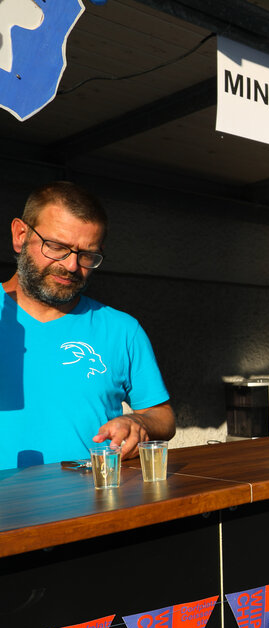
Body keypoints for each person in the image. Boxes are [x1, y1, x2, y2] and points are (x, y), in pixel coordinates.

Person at [1, 181, 175, 470]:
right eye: (56, 247)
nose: (71, 266)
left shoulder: (122, 330)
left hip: (94, 507)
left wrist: (137, 421)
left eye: (87, 255)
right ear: (20, 235)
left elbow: (163, 416)